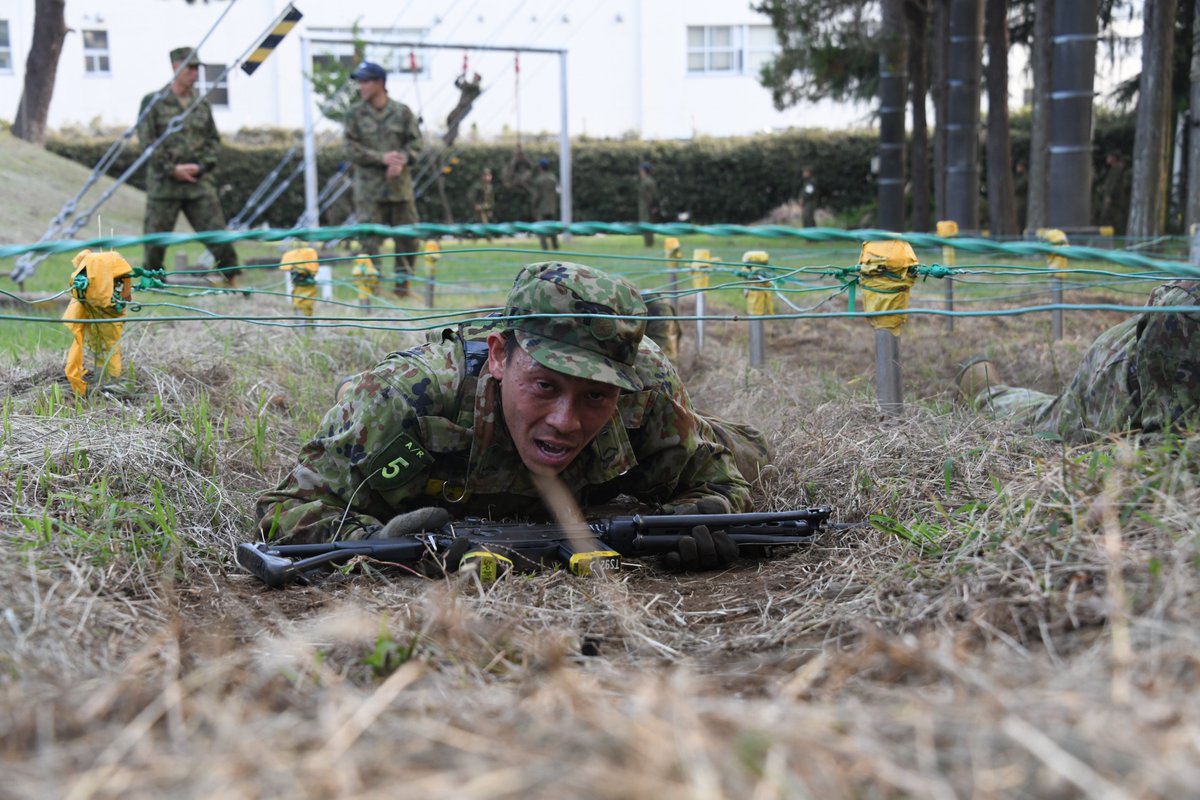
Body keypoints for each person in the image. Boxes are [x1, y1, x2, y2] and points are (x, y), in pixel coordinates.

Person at [254, 261, 772, 571]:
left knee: (754, 450)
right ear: (499, 356)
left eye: (596, 397)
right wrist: (382, 549)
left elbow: (720, 479)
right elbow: (287, 511)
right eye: (545, 386)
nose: (565, 422)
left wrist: (691, 522)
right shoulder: (406, 398)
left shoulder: (646, 390)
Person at [957, 280, 1200, 444]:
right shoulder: (1187, 314)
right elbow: (1169, 448)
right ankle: (986, 390)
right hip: (1117, 379)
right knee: (1049, 424)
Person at [137, 47, 240, 286]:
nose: (194, 74)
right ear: (175, 67)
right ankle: (153, 282)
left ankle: (231, 278)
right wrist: (172, 170)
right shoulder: (153, 102)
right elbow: (147, 143)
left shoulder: (201, 105)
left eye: (197, 69)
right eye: (190, 68)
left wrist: (200, 167)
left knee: (217, 233)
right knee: (155, 240)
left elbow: (213, 141)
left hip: (198, 184)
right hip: (165, 184)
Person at [344, 61, 424, 297]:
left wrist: (402, 159)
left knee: (408, 237)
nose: (361, 87)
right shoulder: (354, 114)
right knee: (369, 241)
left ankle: (403, 286)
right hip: (369, 191)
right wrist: (382, 158)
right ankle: (371, 288)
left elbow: (416, 144)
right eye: (360, 82)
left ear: (380, 82)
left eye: (365, 81)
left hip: (399, 188)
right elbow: (350, 148)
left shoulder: (402, 112)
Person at [444, 72, 482, 147]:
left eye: (475, 76)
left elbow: (469, 85)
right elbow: (457, 84)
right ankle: (449, 137)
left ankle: (451, 140)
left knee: (455, 121)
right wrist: (458, 78)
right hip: (460, 105)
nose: (473, 77)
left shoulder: (476, 86)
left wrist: (463, 78)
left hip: (465, 106)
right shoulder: (469, 86)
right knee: (450, 119)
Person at [1098, 152, 1130, 235]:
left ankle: (1116, 233)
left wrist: (1109, 196)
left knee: (1110, 215)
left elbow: (1114, 183)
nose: (1107, 159)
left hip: (1114, 198)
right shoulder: (1114, 168)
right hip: (1112, 197)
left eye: (1109, 157)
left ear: (1113, 158)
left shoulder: (1117, 168)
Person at [532, 158, 560, 250]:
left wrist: (534, 205)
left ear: (540, 167)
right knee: (553, 228)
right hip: (552, 206)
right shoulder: (553, 178)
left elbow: (537, 196)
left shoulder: (539, 180)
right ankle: (555, 246)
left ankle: (544, 247)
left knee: (542, 228)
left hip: (542, 207)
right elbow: (557, 193)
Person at [469, 167, 495, 239]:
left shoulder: (490, 186)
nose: (487, 178)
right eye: (485, 176)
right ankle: (487, 236)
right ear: (482, 177)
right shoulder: (478, 186)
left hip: (487, 207)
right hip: (480, 207)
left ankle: (477, 236)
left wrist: (491, 209)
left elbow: (491, 199)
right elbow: (472, 196)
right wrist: (475, 205)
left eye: (489, 176)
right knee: (483, 222)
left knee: (484, 222)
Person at [637, 162, 658, 248]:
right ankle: (649, 242)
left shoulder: (646, 182)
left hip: (646, 207)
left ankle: (648, 243)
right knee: (649, 224)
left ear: (643, 171)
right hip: (648, 206)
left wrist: (652, 206)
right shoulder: (650, 181)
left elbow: (649, 196)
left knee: (646, 224)